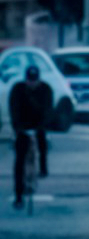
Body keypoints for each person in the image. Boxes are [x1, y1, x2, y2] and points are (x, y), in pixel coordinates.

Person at [10, 65, 52, 209]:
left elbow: (48, 110)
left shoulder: (45, 90)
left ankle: (43, 168)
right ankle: (18, 195)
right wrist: (18, 128)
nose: (32, 84)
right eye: (29, 81)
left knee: (43, 144)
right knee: (19, 161)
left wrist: (41, 126)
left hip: (38, 125)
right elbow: (14, 109)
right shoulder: (18, 90)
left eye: (34, 81)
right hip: (22, 127)